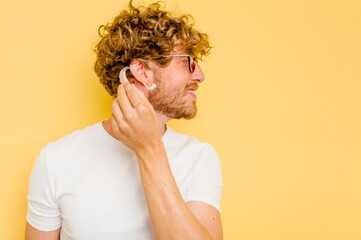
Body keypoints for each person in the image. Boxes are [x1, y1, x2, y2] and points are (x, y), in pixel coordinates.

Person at [25, 1, 223, 239]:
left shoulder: (200, 158)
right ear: (141, 71)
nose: (200, 76)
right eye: (187, 62)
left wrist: (149, 148)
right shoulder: (55, 159)